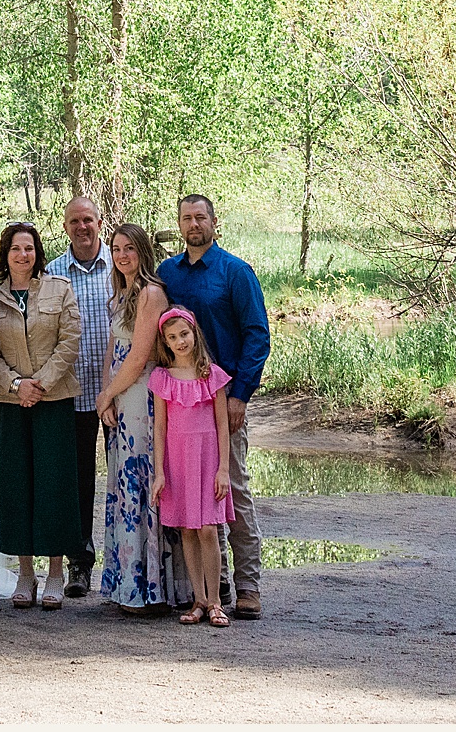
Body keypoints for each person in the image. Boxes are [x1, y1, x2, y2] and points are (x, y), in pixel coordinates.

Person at [156, 193, 270, 618]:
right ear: (180, 224)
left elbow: (257, 336)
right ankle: (210, 589)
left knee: (232, 491)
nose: (193, 225)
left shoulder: (235, 272)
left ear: (214, 222)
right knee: (190, 497)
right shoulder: (168, 274)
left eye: (200, 217)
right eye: (186, 218)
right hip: (183, 404)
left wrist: (240, 394)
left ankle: (247, 586)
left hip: (224, 403)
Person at [0, 219, 83, 609]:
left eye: (28, 248)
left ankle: (55, 573)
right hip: (10, 403)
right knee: (15, 485)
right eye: (14, 249)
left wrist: (39, 383)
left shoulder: (60, 289)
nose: (22, 255)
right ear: (5, 256)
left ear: (37, 253)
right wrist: (15, 385)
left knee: (54, 484)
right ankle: (25, 573)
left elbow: (70, 339)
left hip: (54, 398)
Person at [93, 220, 175, 615]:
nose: (122, 255)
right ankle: (124, 580)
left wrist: (111, 392)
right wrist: (105, 395)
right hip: (120, 397)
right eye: (116, 248)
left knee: (140, 481)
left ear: (142, 251)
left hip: (142, 394)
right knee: (122, 483)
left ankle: (148, 588)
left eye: (129, 248)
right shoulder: (121, 293)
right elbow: (115, 350)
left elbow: (140, 355)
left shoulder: (151, 294)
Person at [147, 307, 234, 628]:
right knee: (187, 530)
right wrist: (159, 472)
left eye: (184, 334)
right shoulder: (162, 379)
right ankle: (198, 599)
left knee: (209, 529)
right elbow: (159, 428)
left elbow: (223, 426)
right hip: (178, 462)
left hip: (208, 461)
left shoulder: (212, 375)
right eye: (172, 337)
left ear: (194, 333)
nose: (180, 341)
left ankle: (215, 601)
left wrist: (223, 469)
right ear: (165, 343)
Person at [46, 195, 113, 600]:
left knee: (130, 480)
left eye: (88, 219)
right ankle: (79, 563)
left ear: (99, 221)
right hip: (72, 395)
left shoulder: (122, 265)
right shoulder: (53, 272)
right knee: (77, 482)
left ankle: (134, 563)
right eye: (74, 221)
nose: (82, 227)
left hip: (120, 396)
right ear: (66, 225)